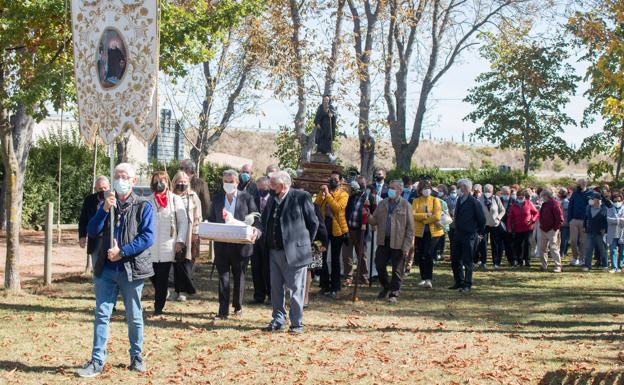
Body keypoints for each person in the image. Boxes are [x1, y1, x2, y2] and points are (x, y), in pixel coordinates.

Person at [77, 163, 155, 377]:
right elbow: (92, 230)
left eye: (124, 176)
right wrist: (103, 210)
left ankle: (136, 356)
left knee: (134, 315)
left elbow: (147, 237)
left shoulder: (143, 206)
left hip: (131, 269)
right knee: (102, 314)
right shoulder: (106, 204)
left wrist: (123, 251)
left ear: (133, 180)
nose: (120, 179)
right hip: (106, 269)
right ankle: (97, 360)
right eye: (117, 176)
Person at [261, 171, 319, 333]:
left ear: (283, 185)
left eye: (273, 184)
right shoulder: (272, 199)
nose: (270, 187)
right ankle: (278, 318)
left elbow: (313, 223)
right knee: (276, 288)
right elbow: (266, 220)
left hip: (295, 252)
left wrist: (303, 244)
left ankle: (296, 323)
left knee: (296, 289)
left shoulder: (300, 197)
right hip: (274, 251)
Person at [208, 170, 260, 319]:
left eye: (231, 181)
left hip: (241, 246)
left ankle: (238, 307)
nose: (228, 184)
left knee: (239, 276)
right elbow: (212, 218)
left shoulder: (247, 197)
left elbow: (256, 218)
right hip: (222, 245)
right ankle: (222, 311)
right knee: (223, 277)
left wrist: (255, 230)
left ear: (237, 182)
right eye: (225, 181)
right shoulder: (218, 198)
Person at [147, 171, 188, 315]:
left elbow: (183, 222)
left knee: (162, 277)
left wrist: (180, 240)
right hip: (151, 245)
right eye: (156, 180)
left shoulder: (175, 199)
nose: (159, 183)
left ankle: (158, 307)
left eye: (162, 180)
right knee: (152, 275)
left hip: (168, 244)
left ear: (167, 182)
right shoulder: (148, 200)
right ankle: (162, 294)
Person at [367, 180, 414, 302]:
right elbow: (374, 220)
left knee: (397, 270)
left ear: (400, 191)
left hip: (399, 242)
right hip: (383, 240)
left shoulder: (406, 205)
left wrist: (406, 246)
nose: (390, 190)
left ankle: (394, 293)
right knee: (379, 264)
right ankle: (386, 286)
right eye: (389, 187)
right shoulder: (382, 203)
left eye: (393, 188)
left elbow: (410, 229)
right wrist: (367, 215)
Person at [314, 171, 349, 298]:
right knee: (320, 256)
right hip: (323, 229)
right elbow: (316, 205)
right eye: (331, 179)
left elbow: (338, 208)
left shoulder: (344, 194)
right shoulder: (325, 192)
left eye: (335, 179)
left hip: (337, 230)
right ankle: (324, 286)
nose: (332, 181)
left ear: (340, 181)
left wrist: (328, 195)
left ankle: (335, 287)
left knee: (335, 259)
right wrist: (321, 193)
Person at [449, 179, 486, 293]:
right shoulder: (460, 200)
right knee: (455, 259)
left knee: (468, 260)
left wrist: (479, 233)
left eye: (459, 187)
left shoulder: (474, 202)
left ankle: (467, 284)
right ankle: (458, 281)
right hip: (458, 234)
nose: (458, 189)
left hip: (469, 235)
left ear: (465, 187)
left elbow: (482, 219)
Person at [171, 171, 202, 301]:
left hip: (189, 233)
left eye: (184, 182)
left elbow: (198, 215)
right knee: (175, 262)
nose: (182, 184)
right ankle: (176, 289)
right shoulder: (170, 196)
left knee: (185, 262)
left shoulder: (192, 196)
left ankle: (184, 290)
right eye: (179, 181)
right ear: (174, 182)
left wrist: (195, 231)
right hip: (173, 232)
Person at [412, 180, 443, 289]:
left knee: (428, 253)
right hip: (419, 232)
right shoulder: (416, 201)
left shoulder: (435, 200)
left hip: (433, 232)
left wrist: (424, 220)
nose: (426, 190)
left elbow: (437, 216)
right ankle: (423, 278)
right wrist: (426, 215)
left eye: (428, 188)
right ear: (420, 190)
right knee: (420, 254)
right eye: (424, 188)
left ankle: (429, 278)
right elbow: (413, 214)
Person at [344, 176, 373, 285]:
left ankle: (363, 275)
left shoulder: (369, 197)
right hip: (348, 229)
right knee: (346, 254)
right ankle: (348, 276)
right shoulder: (352, 196)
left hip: (360, 230)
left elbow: (372, 213)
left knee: (361, 254)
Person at [79, 176, 110, 271]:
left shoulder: (114, 199)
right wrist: (82, 236)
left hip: (110, 239)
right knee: (97, 269)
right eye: (100, 188)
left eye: (105, 188)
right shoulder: (89, 200)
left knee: (110, 269)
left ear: (109, 187)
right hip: (95, 241)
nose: (103, 190)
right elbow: (83, 219)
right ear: (95, 189)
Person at [251, 176, 272, 304]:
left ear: (268, 187)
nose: (261, 191)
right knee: (256, 267)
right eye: (259, 189)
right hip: (255, 238)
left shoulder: (274, 200)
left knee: (268, 268)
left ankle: (271, 295)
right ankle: (259, 295)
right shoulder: (253, 199)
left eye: (263, 189)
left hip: (268, 240)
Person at [507, 189, 539, 267]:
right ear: (517, 197)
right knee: (519, 245)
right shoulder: (513, 206)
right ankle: (520, 260)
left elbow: (536, 213)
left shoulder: (529, 203)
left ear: (524, 197)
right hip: (517, 228)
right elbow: (510, 218)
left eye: (522, 197)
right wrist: (509, 227)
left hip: (528, 227)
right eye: (519, 197)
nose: (520, 198)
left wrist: (533, 220)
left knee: (528, 243)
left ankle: (527, 260)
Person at [305, 203, 329, 308]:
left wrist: (324, 243)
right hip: (295, 244)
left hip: (312, 243)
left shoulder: (314, 207)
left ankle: (305, 298)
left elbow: (321, 225)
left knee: (307, 271)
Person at [477, 184, 506, 270]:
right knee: (483, 244)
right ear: (483, 191)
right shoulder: (479, 199)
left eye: (489, 191)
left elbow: (502, 210)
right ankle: (483, 262)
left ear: (492, 191)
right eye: (486, 191)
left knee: (495, 244)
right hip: (484, 225)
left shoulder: (496, 198)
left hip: (495, 224)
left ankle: (495, 263)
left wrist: (498, 218)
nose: (488, 193)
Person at [537, 189, 564, 273]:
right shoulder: (545, 204)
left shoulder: (555, 204)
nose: (542, 198)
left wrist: (554, 229)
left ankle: (558, 266)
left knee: (553, 248)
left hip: (552, 230)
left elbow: (560, 219)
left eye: (542, 196)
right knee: (542, 248)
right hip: (543, 229)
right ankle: (544, 265)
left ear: (546, 196)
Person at [568, 178, 593, 266]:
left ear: (584, 184)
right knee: (573, 240)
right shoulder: (575, 193)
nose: (577, 185)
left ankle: (582, 259)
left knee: (583, 241)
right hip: (574, 220)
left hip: (585, 221)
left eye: (579, 184)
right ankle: (575, 258)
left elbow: (592, 207)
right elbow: (570, 206)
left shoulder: (590, 193)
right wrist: (569, 220)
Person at [582, 192, 608, 271]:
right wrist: (584, 227)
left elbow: (605, 221)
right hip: (590, 232)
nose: (590, 200)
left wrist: (604, 230)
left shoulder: (604, 208)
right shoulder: (588, 207)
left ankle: (605, 265)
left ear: (597, 200)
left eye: (592, 198)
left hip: (600, 233)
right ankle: (587, 266)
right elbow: (586, 218)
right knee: (589, 249)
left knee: (602, 250)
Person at [607, 192, 624, 273]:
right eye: (615, 201)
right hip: (613, 233)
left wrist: (618, 220)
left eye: (619, 201)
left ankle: (619, 267)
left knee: (622, 251)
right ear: (612, 201)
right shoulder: (609, 209)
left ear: (622, 200)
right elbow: (608, 220)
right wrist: (619, 220)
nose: (617, 202)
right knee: (613, 251)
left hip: (622, 234)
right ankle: (614, 267)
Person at [500, 186, 516, 266]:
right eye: (504, 193)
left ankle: (511, 260)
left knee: (510, 244)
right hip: (500, 224)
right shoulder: (498, 200)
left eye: (507, 193)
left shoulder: (513, 201)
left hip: (510, 225)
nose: (506, 195)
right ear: (501, 193)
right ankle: (497, 261)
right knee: (500, 243)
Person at [434, 184, 450, 261]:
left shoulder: (445, 200)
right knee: (436, 240)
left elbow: (447, 213)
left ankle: (440, 254)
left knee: (442, 240)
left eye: (441, 191)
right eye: (438, 191)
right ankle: (436, 254)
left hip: (443, 223)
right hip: (435, 223)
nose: (439, 192)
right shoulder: (435, 199)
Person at [558, 188, 571, 259]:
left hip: (565, 223)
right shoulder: (561, 201)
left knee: (564, 239)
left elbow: (564, 213)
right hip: (561, 223)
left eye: (560, 193)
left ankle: (562, 252)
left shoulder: (566, 202)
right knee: (562, 239)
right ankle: (562, 252)